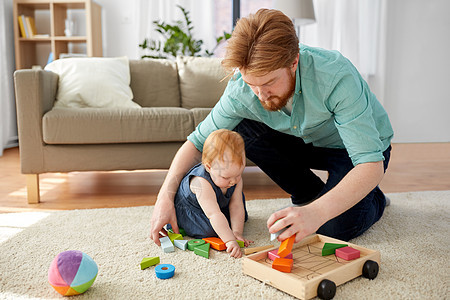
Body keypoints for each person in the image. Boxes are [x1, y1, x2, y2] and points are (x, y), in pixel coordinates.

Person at [150, 8, 394, 246]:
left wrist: (318, 213)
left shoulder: (336, 76)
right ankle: (308, 194)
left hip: (353, 151)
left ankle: (374, 199)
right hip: (303, 140)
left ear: (294, 61)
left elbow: (370, 165)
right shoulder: (242, 90)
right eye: (252, 84)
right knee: (238, 131)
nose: (260, 95)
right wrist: (164, 198)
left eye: (268, 82)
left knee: (330, 228)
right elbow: (197, 143)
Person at [173, 129, 252, 258]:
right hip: (195, 209)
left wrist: (237, 233)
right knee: (210, 230)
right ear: (209, 167)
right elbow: (213, 214)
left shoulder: (234, 178)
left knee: (239, 214)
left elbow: (236, 205)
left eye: (238, 174)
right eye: (226, 178)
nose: (233, 181)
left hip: (217, 203)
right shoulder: (201, 182)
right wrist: (230, 240)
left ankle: (227, 223)